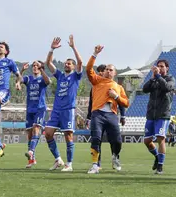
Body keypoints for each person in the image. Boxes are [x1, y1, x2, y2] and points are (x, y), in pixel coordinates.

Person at [85, 45, 129, 174]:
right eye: (107, 69)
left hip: (111, 115)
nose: (108, 71)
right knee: (96, 138)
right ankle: (94, 165)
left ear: (115, 73)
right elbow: (88, 69)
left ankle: (115, 157)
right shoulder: (97, 81)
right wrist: (94, 54)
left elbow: (126, 103)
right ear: (103, 72)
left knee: (117, 141)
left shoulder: (118, 87)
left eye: (111, 70)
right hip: (97, 114)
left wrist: (116, 97)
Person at [44, 35, 83, 172]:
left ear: (73, 66)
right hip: (56, 110)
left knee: (68, 136)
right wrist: (51, 49)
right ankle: (58, 159)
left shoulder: (76, 76)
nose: (67, 65)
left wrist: (73, 47)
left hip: (68, 110)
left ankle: (69, 164)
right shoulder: (60, 75)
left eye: (69, 63)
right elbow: (48, 63)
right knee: (48, 133)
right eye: (66, 63)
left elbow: (80, 62)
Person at [141, 59, 175, 174]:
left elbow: (166, 88)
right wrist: (152, 77)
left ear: (167, 68)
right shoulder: (154, 80)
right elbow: (144, 89)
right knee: (147, 141)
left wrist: (159, 76)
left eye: (162, 66)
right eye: (158, 66)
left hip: (163, 114)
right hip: (151, 114)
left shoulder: (170, 79)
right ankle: (157, 157)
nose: (159, 68)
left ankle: (160, 166)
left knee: (161, 139)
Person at [22, 60, 51, 168]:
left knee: (36, 129)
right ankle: (32, 160)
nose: (34, 67)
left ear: (40, 68)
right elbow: (19, 80)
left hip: (40, 108)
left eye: (36, 66)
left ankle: (31, 151)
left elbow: (48, 82)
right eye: (33, 66)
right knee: (29, 134)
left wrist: (42, 69)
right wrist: (22, 70)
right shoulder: (28, 78)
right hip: (29, 109)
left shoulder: (42, 78)